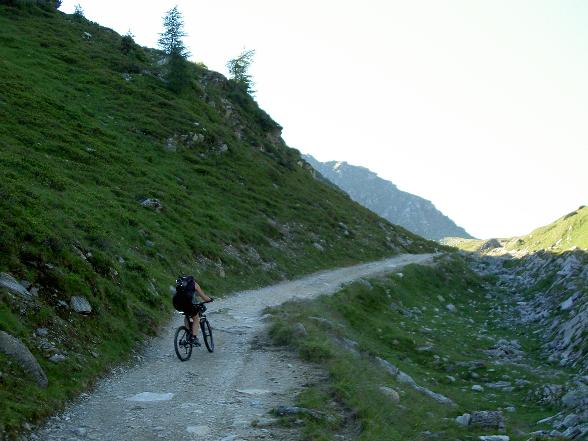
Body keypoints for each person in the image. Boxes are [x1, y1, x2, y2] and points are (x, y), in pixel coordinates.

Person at [176, 276, 213, 345]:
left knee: (186, 315)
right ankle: (194, 338)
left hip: (177, 303)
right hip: (187, 303)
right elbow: (203, 297)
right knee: (196, 318)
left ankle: (188, 333)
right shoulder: (194, 283)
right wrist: (209, 299)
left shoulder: (179, 283)